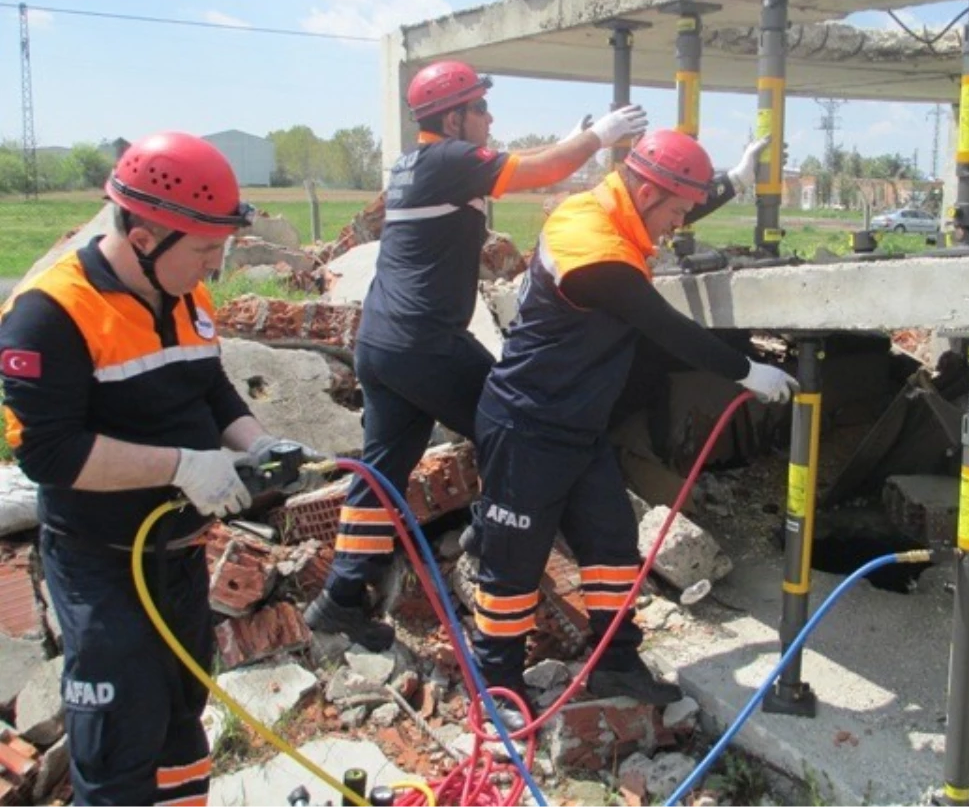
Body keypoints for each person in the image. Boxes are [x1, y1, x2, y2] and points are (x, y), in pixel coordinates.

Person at [0, 131, 319, 806]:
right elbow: (50, 454)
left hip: (176, 556)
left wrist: (255, 443)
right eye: (204, 250)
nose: (213, 267)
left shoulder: (185, 296)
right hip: (101, 563)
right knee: (120, 734)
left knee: (181, 720)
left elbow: (211, 389)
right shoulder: (48, 313)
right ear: (145, 237)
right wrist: (183, 466)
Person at [303, 59, 651, 650]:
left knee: (382, 474)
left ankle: (339, 597)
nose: (490, 118)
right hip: (424, 344)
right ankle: (491, 533)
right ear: (453, 116)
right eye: (482, 108)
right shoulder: (450, 158)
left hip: (381, 343)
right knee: (516, 426)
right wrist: (599, 137)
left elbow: (537, 176)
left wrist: (571, 143)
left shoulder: (419, 163)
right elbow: (538, 170)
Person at [470, 129, 798, 711]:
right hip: (527, 425)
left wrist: (735, 180)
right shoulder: (591, 244)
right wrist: (747, 371)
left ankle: (615, 664)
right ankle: (496, 687)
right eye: (677, 212)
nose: (679, 225)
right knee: (513, 565)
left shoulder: (616, 210)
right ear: (647, 195)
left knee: (612, 545)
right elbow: (665, 326)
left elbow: (667, 206)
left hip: (577, 426)